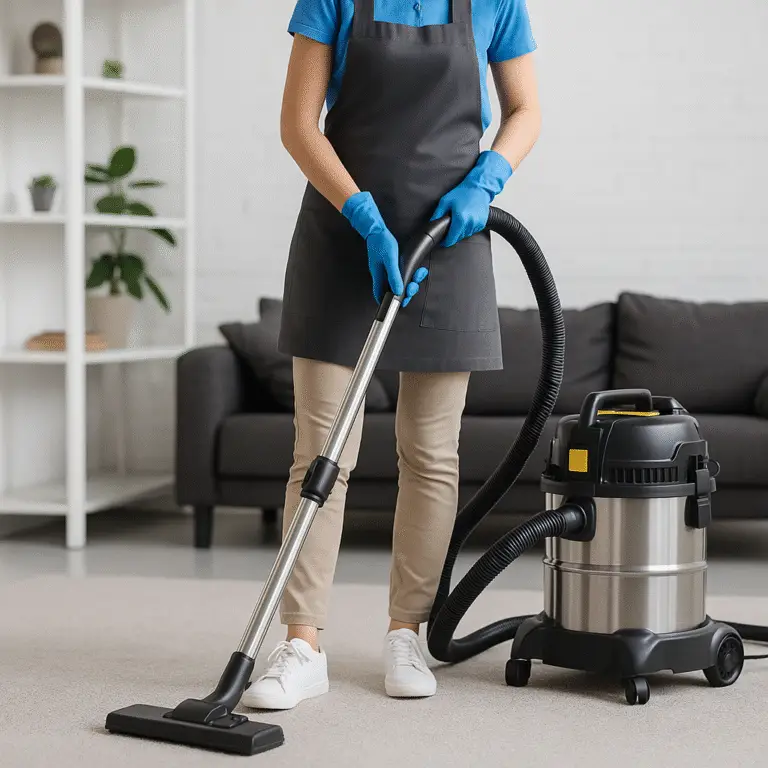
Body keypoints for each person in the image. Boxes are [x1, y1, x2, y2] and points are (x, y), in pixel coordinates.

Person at [243, 0, 542, 710]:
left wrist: (486, 179)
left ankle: (407, 632)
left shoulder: (497, 2)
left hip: (451, 233)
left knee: (432, 452)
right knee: (320, 449)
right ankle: (303, 644)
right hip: (345, 229)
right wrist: (363, 216)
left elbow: (525, 108)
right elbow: (298, 124)